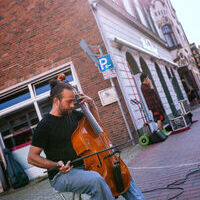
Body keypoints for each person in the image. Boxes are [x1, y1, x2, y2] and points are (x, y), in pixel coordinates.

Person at [27, 76, 145, 200]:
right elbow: (32, 158)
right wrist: (56, 165)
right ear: (56, 101)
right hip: (62, 174)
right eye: (69, 101)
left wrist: (92, 104)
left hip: (87, 165)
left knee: (119, 171)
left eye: (74, 101)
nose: (73, 105)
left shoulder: (72, 115)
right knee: (96, 180)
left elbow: (96, 127)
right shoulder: (44, 125)